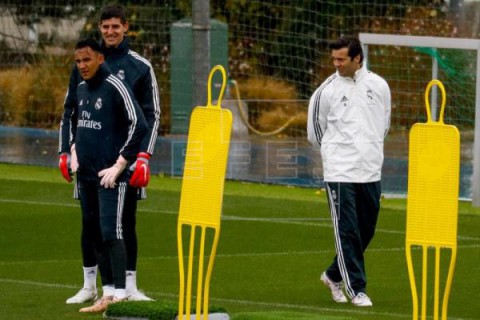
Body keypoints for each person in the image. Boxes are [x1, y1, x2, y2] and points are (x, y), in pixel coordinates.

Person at [58, 4, 160, 303]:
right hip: (89, 160)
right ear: (100, 28)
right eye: (105, 26)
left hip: (123, 163)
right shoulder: (84, 63)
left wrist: (144, 156)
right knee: (89, 223)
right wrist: (65, 151)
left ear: (126, 27)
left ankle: (128, 286)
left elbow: (151, 116)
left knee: (125, 222)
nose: (110, 31)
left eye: (116, 26)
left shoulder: (140, 67)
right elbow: (69, 113)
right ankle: (90, 285)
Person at [307, 35, 391, 307]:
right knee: (348, 231)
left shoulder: (379, 86)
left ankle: (332, 275)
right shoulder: (326, 91)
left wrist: (368, 149)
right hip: (339, 172)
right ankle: (357, 289)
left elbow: (384, 124)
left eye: (341, 59)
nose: (336, 64)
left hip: (370, 170)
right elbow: (315, 133)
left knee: (366, 230)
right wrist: (337, 154)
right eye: (334, 59)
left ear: (357, 58)